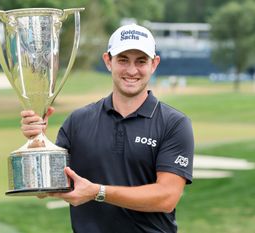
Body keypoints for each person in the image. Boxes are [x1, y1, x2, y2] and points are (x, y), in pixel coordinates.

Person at [21, 24, 195, 233]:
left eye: (141, 61)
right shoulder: (78, 121)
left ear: (154, 64)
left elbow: (166, 197)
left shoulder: (174, 124)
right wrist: (37, 141)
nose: (132, 70)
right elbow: (45, 189)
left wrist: (98, 192)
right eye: (123, 60)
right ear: (107, 61)